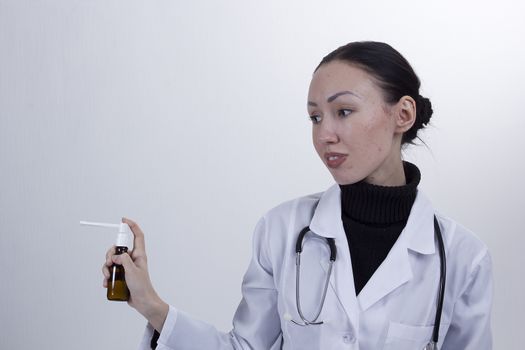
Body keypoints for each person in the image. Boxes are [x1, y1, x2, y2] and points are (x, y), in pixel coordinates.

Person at [102, 41, 493, 349]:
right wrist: (151, 304)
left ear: (402, 115)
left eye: (344, 111)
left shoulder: (461, 258)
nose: (324, 134)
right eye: (315, 116)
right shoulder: (281, 230)